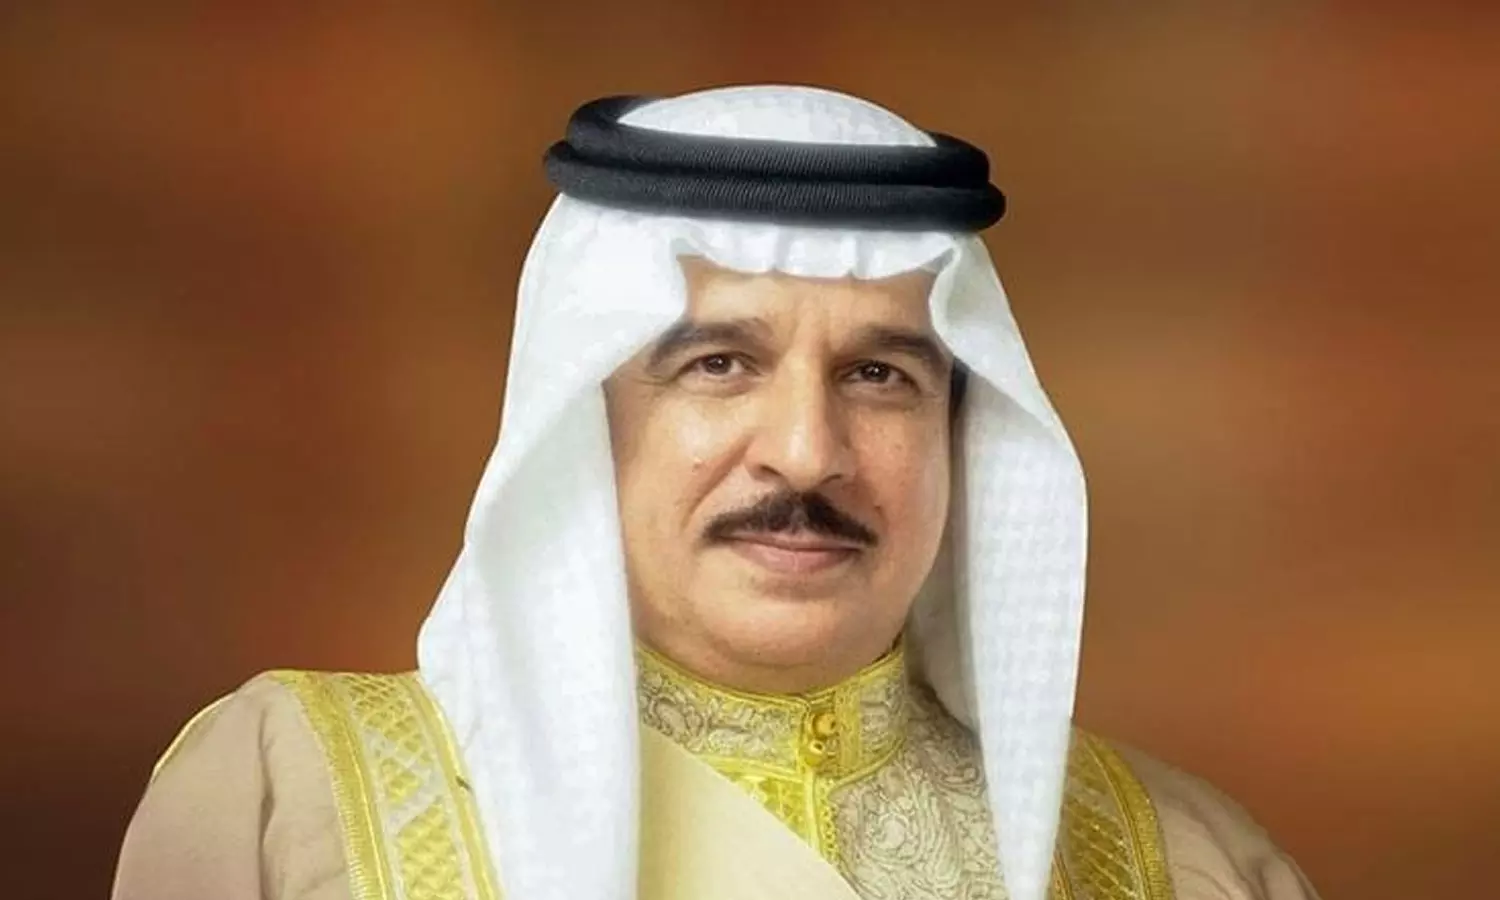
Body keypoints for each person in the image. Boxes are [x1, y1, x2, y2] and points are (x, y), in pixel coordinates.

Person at [111, 85, 1321, 900]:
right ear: (582, 419)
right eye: (719, 364)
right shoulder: (295, 797)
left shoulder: (1178, 860)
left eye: (881, 376)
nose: (805, 453)